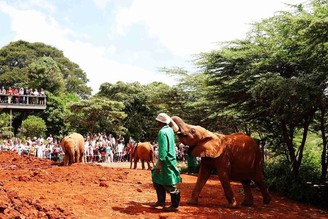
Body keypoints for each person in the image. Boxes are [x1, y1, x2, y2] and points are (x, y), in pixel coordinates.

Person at [150, 113, 181, 212]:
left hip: (165, 160)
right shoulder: (170, 130)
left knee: (169, 182)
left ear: (160, 122)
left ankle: (175, 205)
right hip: (171, 159)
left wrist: (160, 163)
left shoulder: (162, 132)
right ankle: (161, 201)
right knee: (156, 177)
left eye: (157, 121)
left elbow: (163, 149)